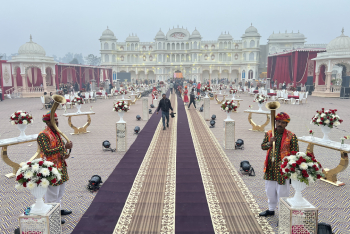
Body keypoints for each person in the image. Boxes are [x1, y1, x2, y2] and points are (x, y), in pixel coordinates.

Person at [259, 112, 299, 217]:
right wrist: (269, 143)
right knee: (270, 191)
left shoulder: (291, 136)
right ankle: (271, 209)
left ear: (286, 124)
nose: (280, 124)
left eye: (283, 122)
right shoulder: (269, 133)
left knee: (283, 192)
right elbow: (263, 147)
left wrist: (291, 168)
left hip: (283, 169)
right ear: (275, 122)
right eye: (278, 122)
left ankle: (283, 213)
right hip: (270, 167)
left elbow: (295, 153)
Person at [37, 111, 73, 224]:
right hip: (50, 168)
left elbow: (61, 147)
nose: (57, 122)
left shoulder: (57, 133)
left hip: (61, 166)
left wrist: (67, 151)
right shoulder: (43, 135)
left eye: (57, 120)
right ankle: (52, 216)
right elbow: (46, 151)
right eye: (54, 120)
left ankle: (58, 210)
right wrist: (63, 147)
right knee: (52, 193)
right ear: (47, 122)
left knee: (60, 191)